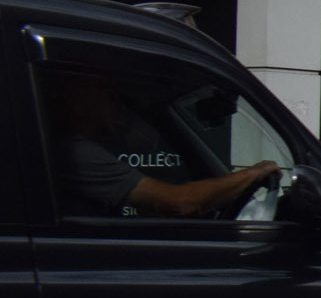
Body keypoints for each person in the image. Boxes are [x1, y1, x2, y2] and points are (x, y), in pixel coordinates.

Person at [50, 71, 278, 218]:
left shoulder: (77, 149)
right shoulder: (75, 153)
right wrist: (254, 173)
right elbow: (178, 202)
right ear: (79, 101)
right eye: (106, 93)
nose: (114, 103)